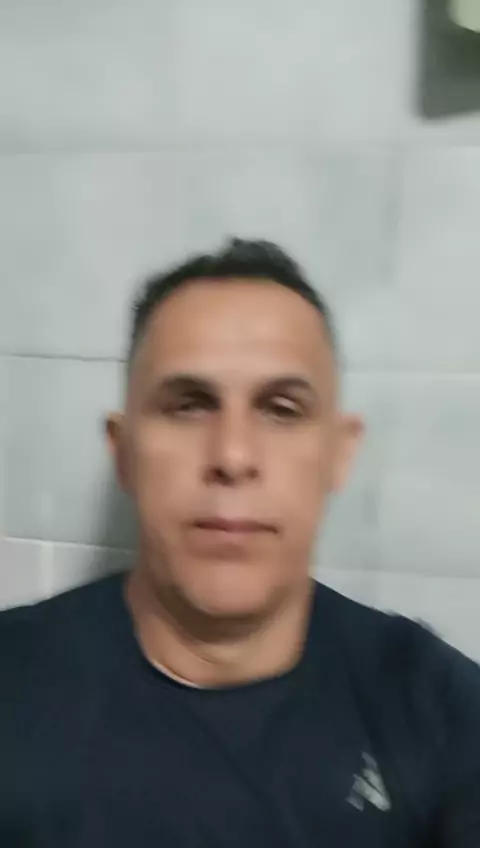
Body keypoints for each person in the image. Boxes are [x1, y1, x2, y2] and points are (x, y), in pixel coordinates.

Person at [1, 239, 479, 847]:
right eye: (189, 405)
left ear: (338, 454)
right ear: (124, 453)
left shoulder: (436, 709)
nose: (232, 455)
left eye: (282, 409)